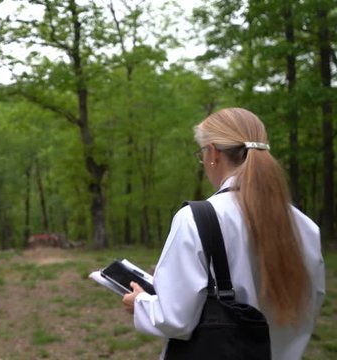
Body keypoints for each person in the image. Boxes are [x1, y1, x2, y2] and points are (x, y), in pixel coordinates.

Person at [122, 108, 325, 360]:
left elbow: (174, 319)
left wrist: (141, 303)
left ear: (214, 153)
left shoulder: (196, 218)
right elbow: (309, 306)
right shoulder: (305, 226)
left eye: (202, 152)